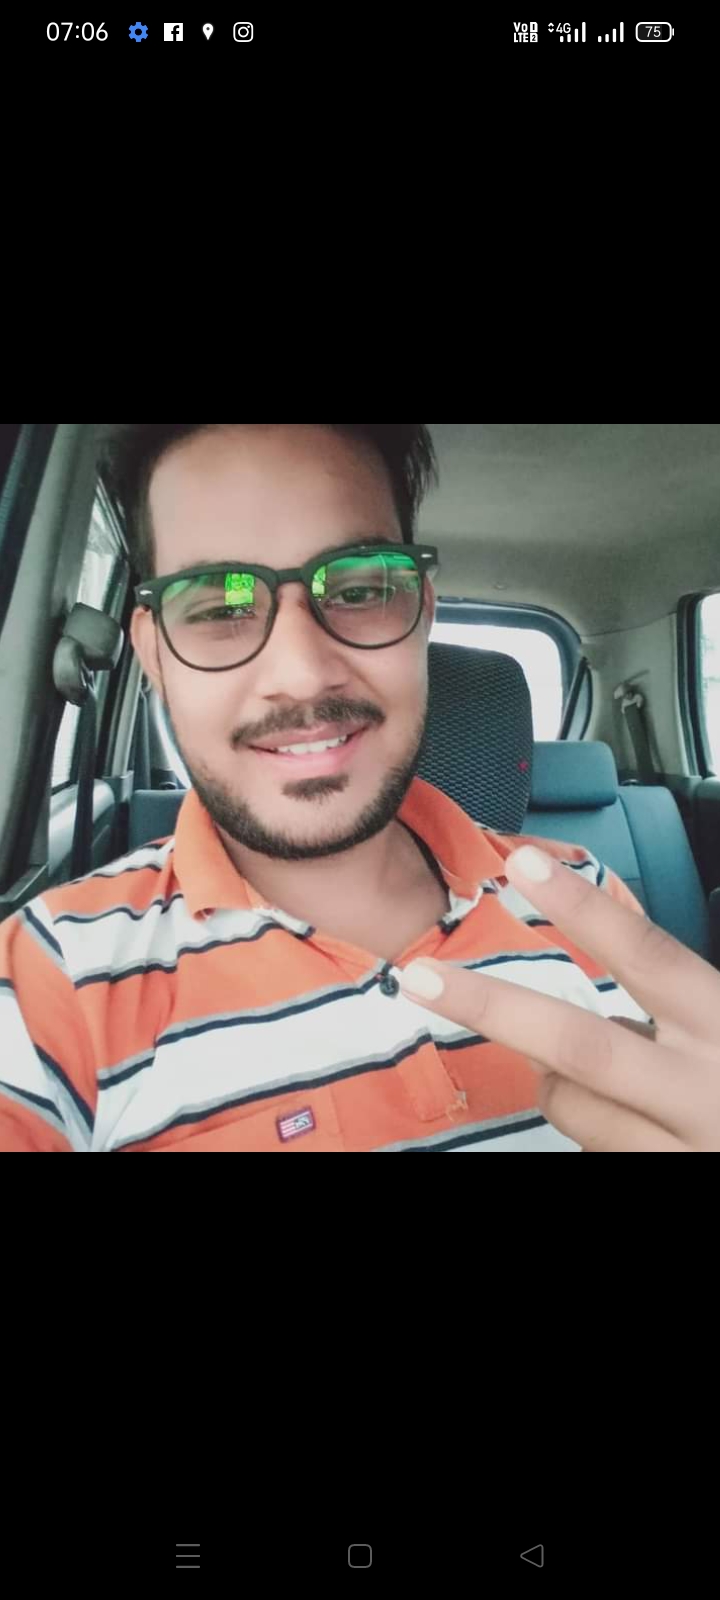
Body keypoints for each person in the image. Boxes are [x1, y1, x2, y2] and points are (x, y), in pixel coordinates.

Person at [0, 423, 660, 1152]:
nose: (304, 675)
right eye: (219, 608)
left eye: (359, 590)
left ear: (424, 613)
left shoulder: (584, 898)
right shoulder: (47, 977)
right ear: (154, 652)